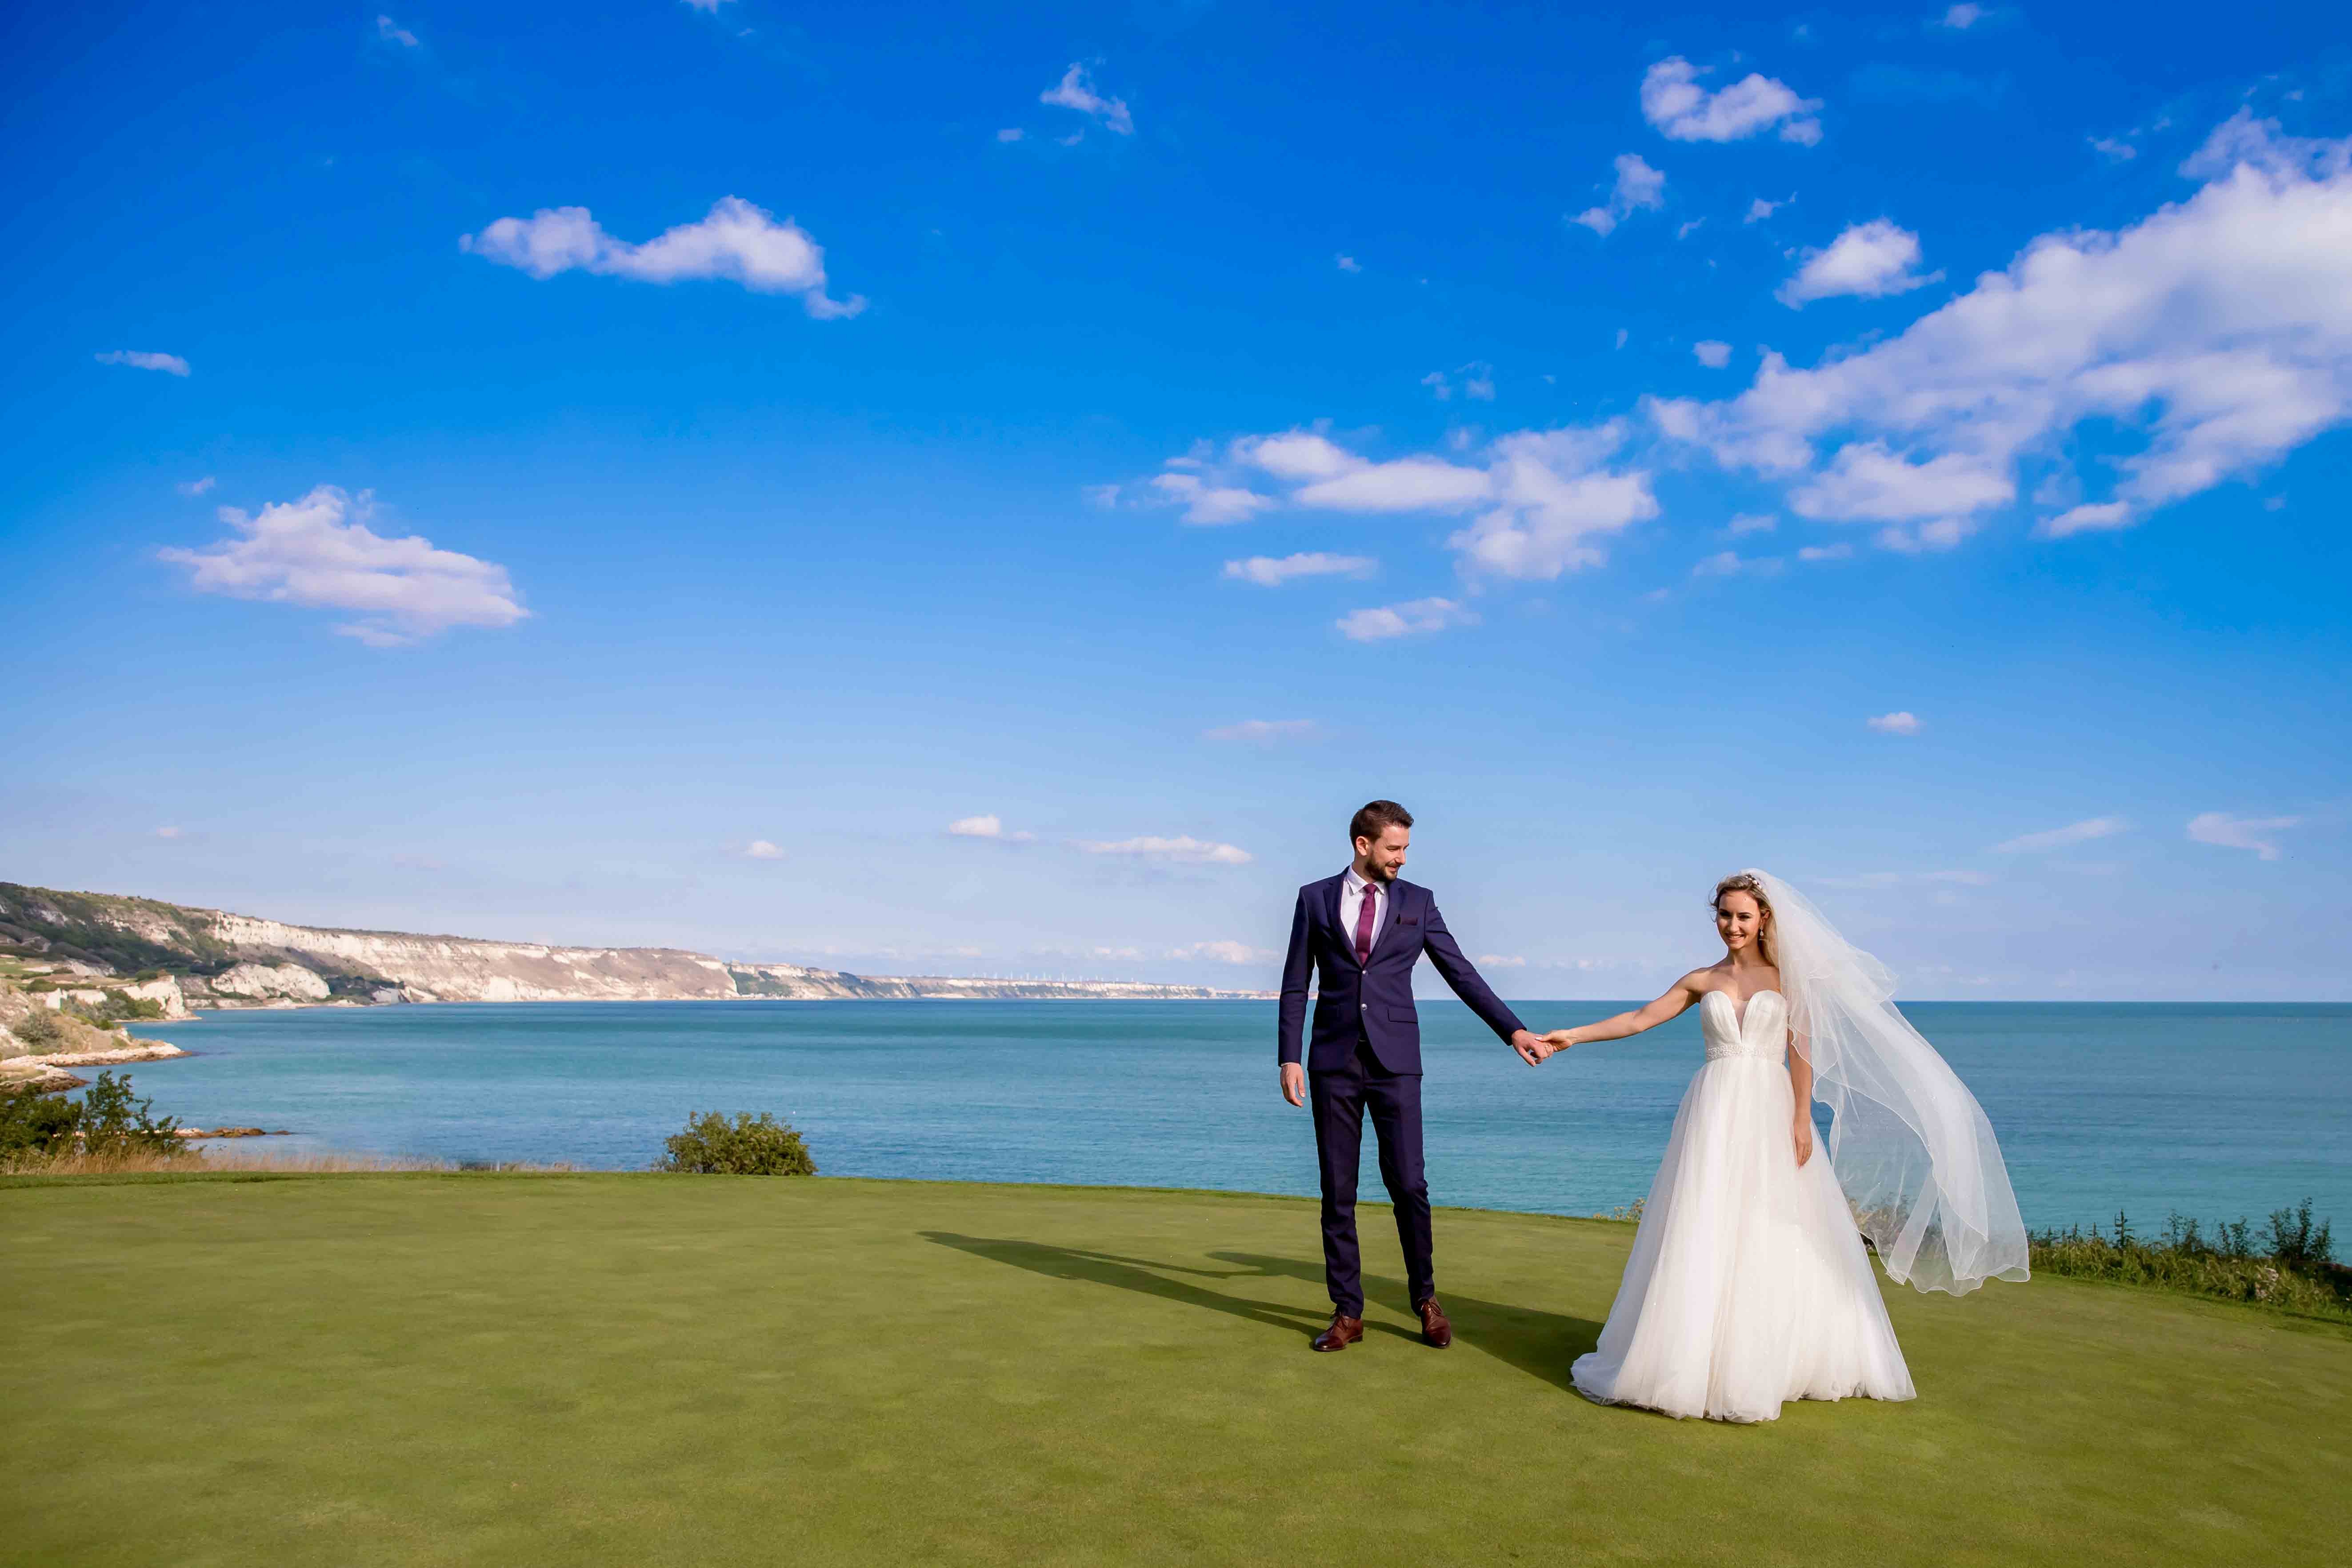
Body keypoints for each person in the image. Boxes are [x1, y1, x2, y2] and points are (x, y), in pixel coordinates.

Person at [1532, 870, 2028, 1422]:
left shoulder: (1789, 980)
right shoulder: (1701, 980)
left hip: (1770, 1107)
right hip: (1713, 1109)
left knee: (1772, 1221)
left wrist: (1800, 1116)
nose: (1733, 926)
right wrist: (1571, 1036)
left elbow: (1802, 1052)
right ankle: (1691, 1353)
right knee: (1706, 1219)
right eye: (1725, 915)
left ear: (1764, 918)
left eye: (1743, 916)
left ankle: (1770, 1355)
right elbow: (1639, 1019)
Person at [1276, 800, 1548, 1352]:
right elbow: (1295, 982)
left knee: (1409, 1185)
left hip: (1396, 1063)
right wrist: (1289, 1056)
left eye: (1405, 849)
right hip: (1333, 1063)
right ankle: (1348, 1313)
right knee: (1338, 1190)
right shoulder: (1314, 899)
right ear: (1363, 845)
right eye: (1394, 848)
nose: (1402, 858)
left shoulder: (1418, 902)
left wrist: (1513, 1030)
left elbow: (1460, 972)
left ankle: (1425, 1300)